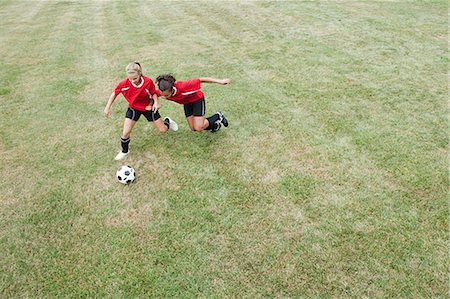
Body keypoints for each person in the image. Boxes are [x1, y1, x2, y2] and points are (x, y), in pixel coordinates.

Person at [104, 62, 178, 160]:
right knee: (125, 132)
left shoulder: (148, 82)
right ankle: (124, 151)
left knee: (163, 130)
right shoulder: (124, 84)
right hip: (134, 108)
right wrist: (107, 107)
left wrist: (156, 102)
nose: (132, 81)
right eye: (130, 78)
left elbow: (154, 93)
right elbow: (114, 93)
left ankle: (167, 121)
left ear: (140, 74)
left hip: (149, 108)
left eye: (135, 78)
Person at [154, 75, 230, 132]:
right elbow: (154, 94)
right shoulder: (163, 91)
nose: (164, 96)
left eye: (166, 95)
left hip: (197, 100)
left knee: (198, 127)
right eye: (162, 94)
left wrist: (221, 81)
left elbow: (201, 80)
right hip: (187, 103)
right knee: (193, 128)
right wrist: (156, 103)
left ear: (172, 89)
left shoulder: (183, 86)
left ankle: (218, 115)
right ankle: (215, 126)